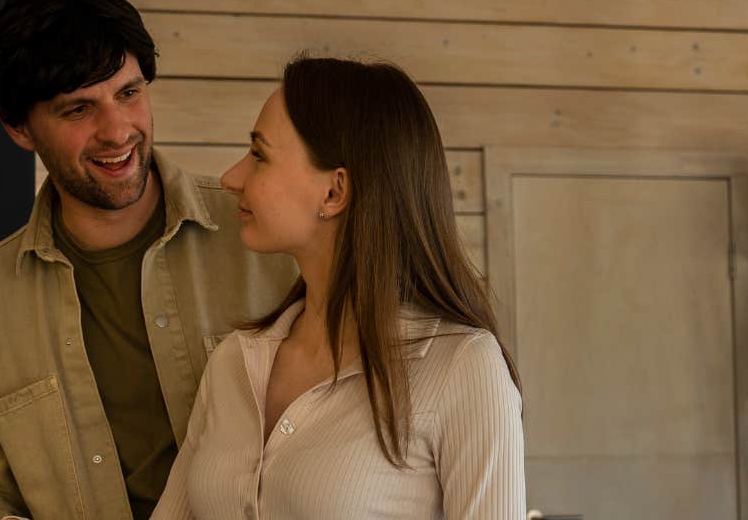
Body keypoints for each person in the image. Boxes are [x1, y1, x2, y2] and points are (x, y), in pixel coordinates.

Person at [0, 0, 297, 520]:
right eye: (77, 110)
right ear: (18, 128)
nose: (117, 131)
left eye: (129, 93)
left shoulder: (267, 238)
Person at [152, 56, 526, 519]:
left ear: (334, 192)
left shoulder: (463, 368)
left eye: (259, 155)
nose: (231, 179)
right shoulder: (234, 363)